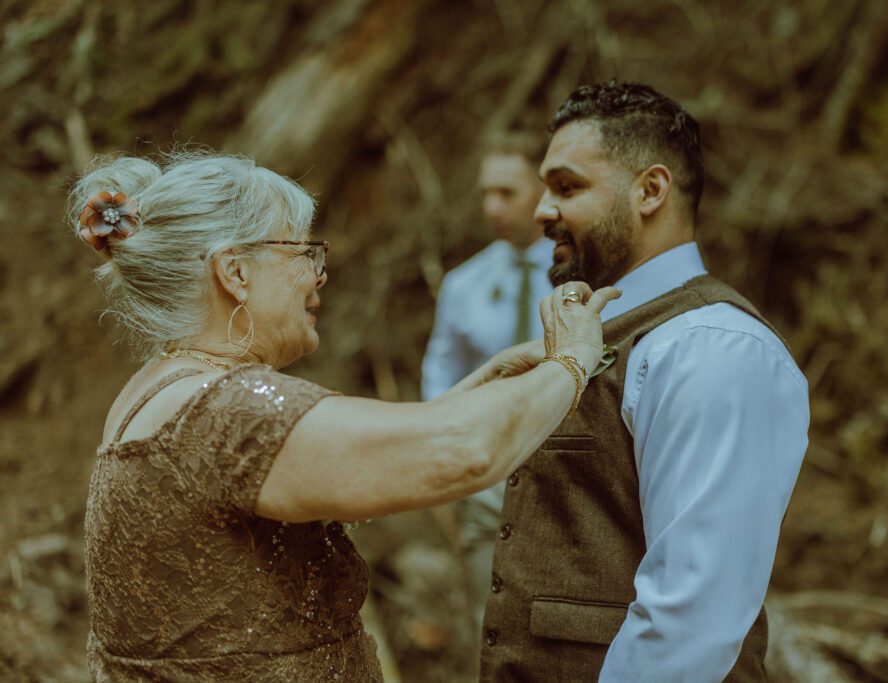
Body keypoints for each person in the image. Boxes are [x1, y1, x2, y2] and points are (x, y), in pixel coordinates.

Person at [71, 151, 618, 681]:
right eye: (303, 252)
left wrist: (479, 390)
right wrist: (571, 361)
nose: (319, 274)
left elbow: (384, 450)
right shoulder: (229, 408)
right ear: (235, 272)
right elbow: (463, 452)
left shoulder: (163, 389)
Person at [480, 82, 810, 682]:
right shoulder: (600, 332)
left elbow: (690, 614)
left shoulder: (712, 349)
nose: (540, 210)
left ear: (650, 190)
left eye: (567, 186)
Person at [420, 130, 552, 630]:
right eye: (484, 193)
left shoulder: (585, 280)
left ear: (544, 190)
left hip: (565, 474)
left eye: (507, 193)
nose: (492, 206)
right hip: (486, 478)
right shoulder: (465, 284)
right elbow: (441, 370)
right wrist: (449, 445)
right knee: (488, 622)